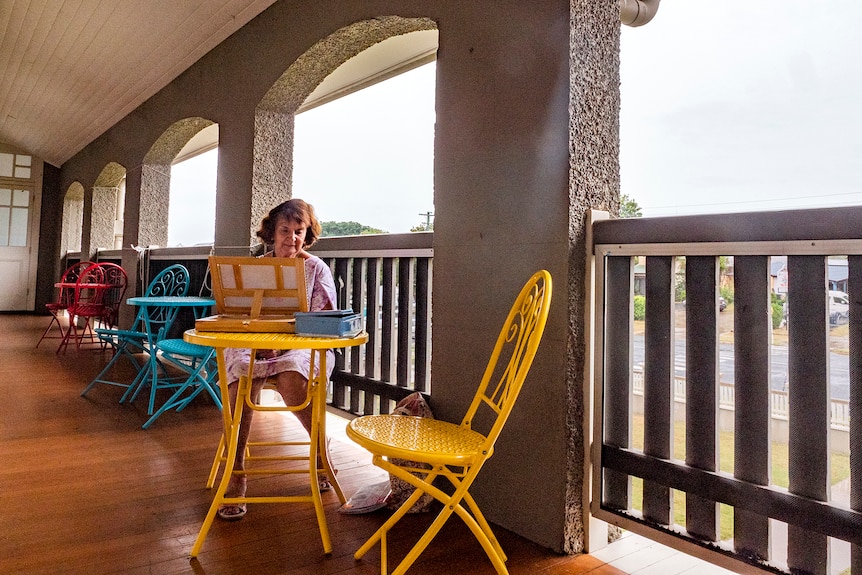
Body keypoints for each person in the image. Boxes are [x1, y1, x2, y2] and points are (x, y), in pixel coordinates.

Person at [217, 198, 337, 521]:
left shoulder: (316, 269)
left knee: (291, 380)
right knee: (240, 376)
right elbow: (238, 313)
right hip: (257, 342)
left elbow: (325, 324)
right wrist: (263, 338)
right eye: (285, 230)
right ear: (272, 232)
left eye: (300, 231)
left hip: (304, 346)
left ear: (307, 234)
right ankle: (236, 469)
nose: (292, 238)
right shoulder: (254, 269)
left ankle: (320, 450)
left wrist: (284, 341)